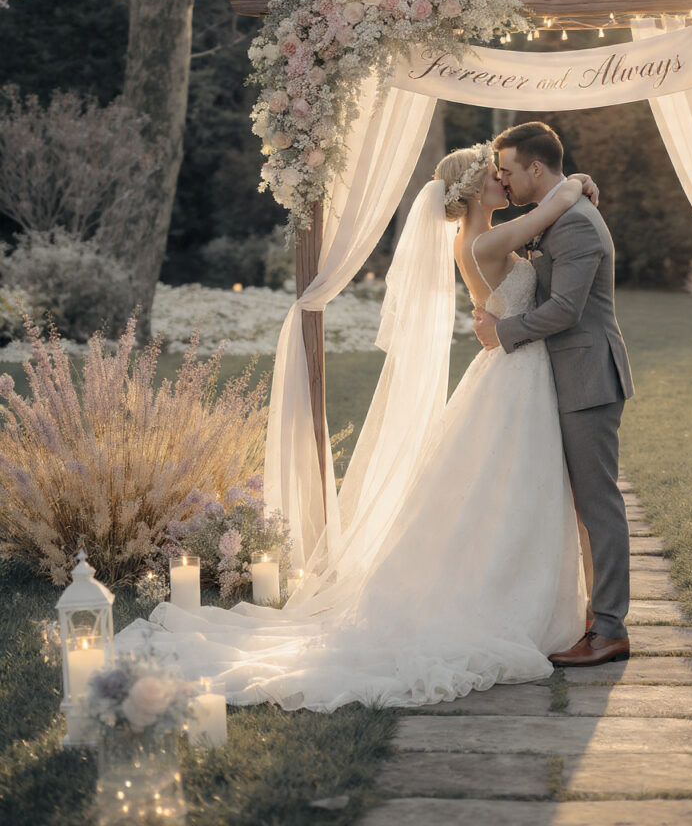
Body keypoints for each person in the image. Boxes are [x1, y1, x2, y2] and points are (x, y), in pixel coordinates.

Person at [116, 142, 602, 710]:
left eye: (504, 174)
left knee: (508, 491)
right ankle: (514, 599)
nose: (504, 181)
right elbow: (552, 208)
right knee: (514, 487)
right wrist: (574, 183)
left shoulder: (476, 238)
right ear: (473, 191)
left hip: (513, 368)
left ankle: (521, 588)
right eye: (494, 177)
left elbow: (536, 237)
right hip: (514, 373)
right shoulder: (487, 241)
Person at [474, 121, 634, 668]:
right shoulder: (561, 213)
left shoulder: (578, 226)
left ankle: (610, 628)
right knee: (574, 504)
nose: (505, 181)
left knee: (598, 504)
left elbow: (566, 309)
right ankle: (591, 614)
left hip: (589, 379)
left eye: (510, 171)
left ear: (535, 169)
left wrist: (504, 334)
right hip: (563, 377)